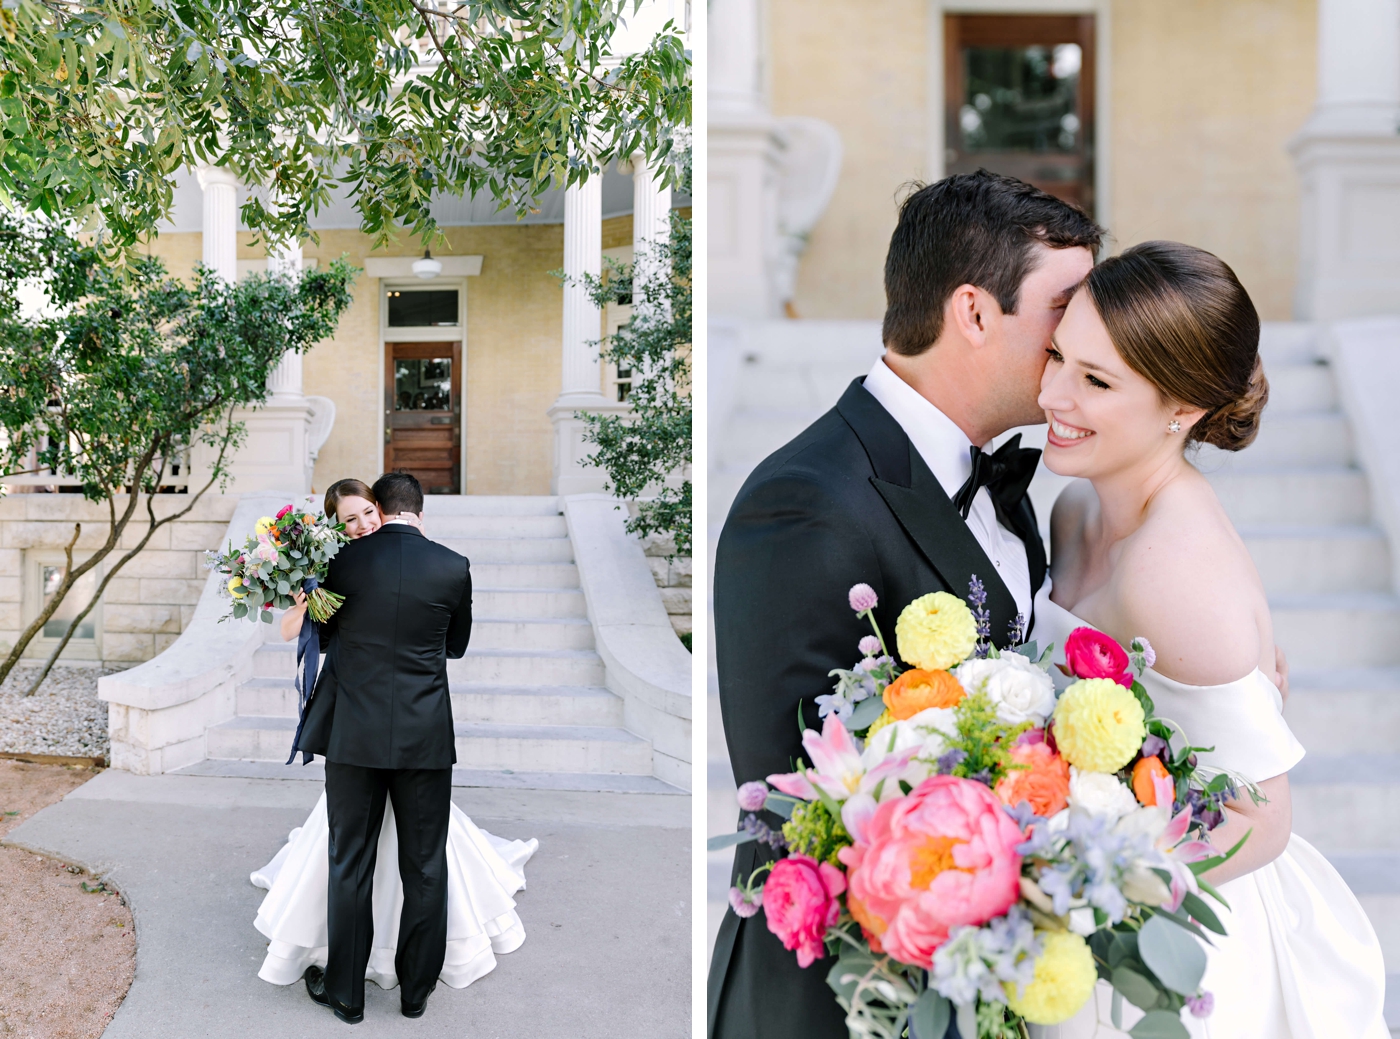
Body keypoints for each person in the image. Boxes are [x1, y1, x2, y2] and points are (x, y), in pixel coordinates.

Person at [710, 171, 1103, 1038]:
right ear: (973, 312)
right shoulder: (806, 499)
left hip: (974, 976)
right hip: (837, 998)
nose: (1086, 336)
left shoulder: (1003, 480)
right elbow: (799, 806)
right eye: (1065, 308)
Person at [1026, 241, 1386, 1037]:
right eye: (1057, 356)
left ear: (1180, 408)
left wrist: (1094, 887)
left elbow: (1263, 818)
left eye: (1094, 380)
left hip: (1171, 942)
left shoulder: (1175, 572)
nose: (1052, 391)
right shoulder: (1076, 508)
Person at [249, 474, 538, 1023]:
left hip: (352, 735)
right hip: (424, 735)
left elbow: (326, 636)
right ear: (419, 512)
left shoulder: (338, 563)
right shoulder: (454, 566)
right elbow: (456, 647)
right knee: (425, 865)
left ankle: (347, 995)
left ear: (379, 509)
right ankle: (415, 992)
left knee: (348, 860)